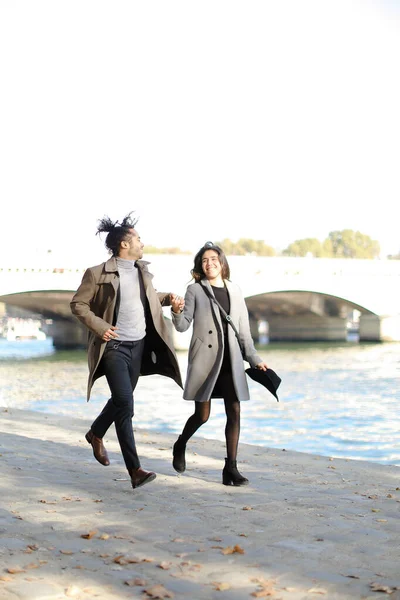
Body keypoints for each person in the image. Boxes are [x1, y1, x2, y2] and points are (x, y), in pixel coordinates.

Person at [70, 212, 184, 490]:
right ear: (124, 244)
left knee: (121, 401)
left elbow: (146, 299)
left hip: (139, 346)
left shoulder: (142, 270)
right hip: (113, 347)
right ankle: (135, 470)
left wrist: (168, 299)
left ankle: (96, 433)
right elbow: (78, 304)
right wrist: (99, 326)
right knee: (126, 403)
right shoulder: (97, 273)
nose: (142, 243)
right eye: (138, 239)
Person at [170, 241, 269, 486]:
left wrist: (254, 358)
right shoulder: (195, 290)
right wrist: (175, 311)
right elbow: (183, 325)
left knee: (234, 411)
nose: (209, 263)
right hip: (206, 360)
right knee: (202, 416)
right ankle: (180, 443)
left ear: (222, 263)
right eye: (204, 260)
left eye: (213, 259)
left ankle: (231, 468)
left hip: (232, 359)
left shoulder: (235, 290)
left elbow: (243, 330)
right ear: (200, 266)